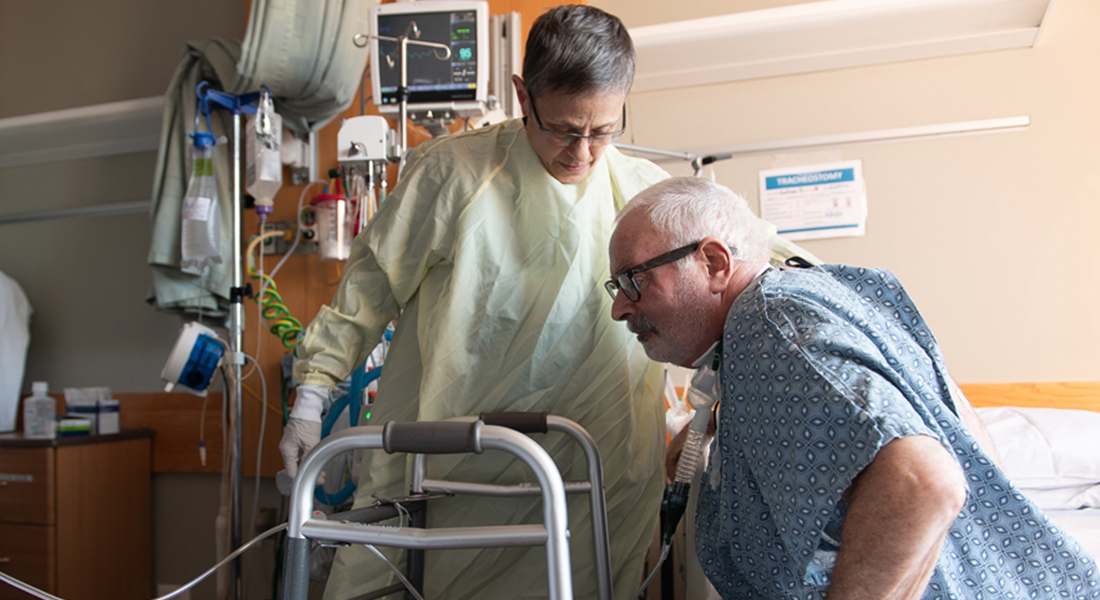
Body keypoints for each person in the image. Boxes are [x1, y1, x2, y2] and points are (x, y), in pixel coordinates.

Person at [607, 176, 1100, 599]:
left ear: (714, 263)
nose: (620, 309)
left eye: (633, 280)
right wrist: (714, 422)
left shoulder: (768, 326)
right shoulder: (830, 292)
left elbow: (921, 484)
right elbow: (969, 442)